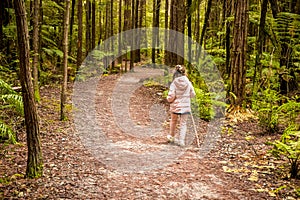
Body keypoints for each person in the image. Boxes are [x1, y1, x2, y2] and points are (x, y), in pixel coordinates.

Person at [167, 65, 196, 146]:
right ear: (184, 73)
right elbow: (193, 94)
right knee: (183, 123)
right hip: (185, 106)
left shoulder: (174, 83)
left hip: (175, 106)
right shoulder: (188, 82)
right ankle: (181, 141)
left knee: (173, 121)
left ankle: (172, 137)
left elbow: (171, 96)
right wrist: (187, 96)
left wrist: (168, 99)